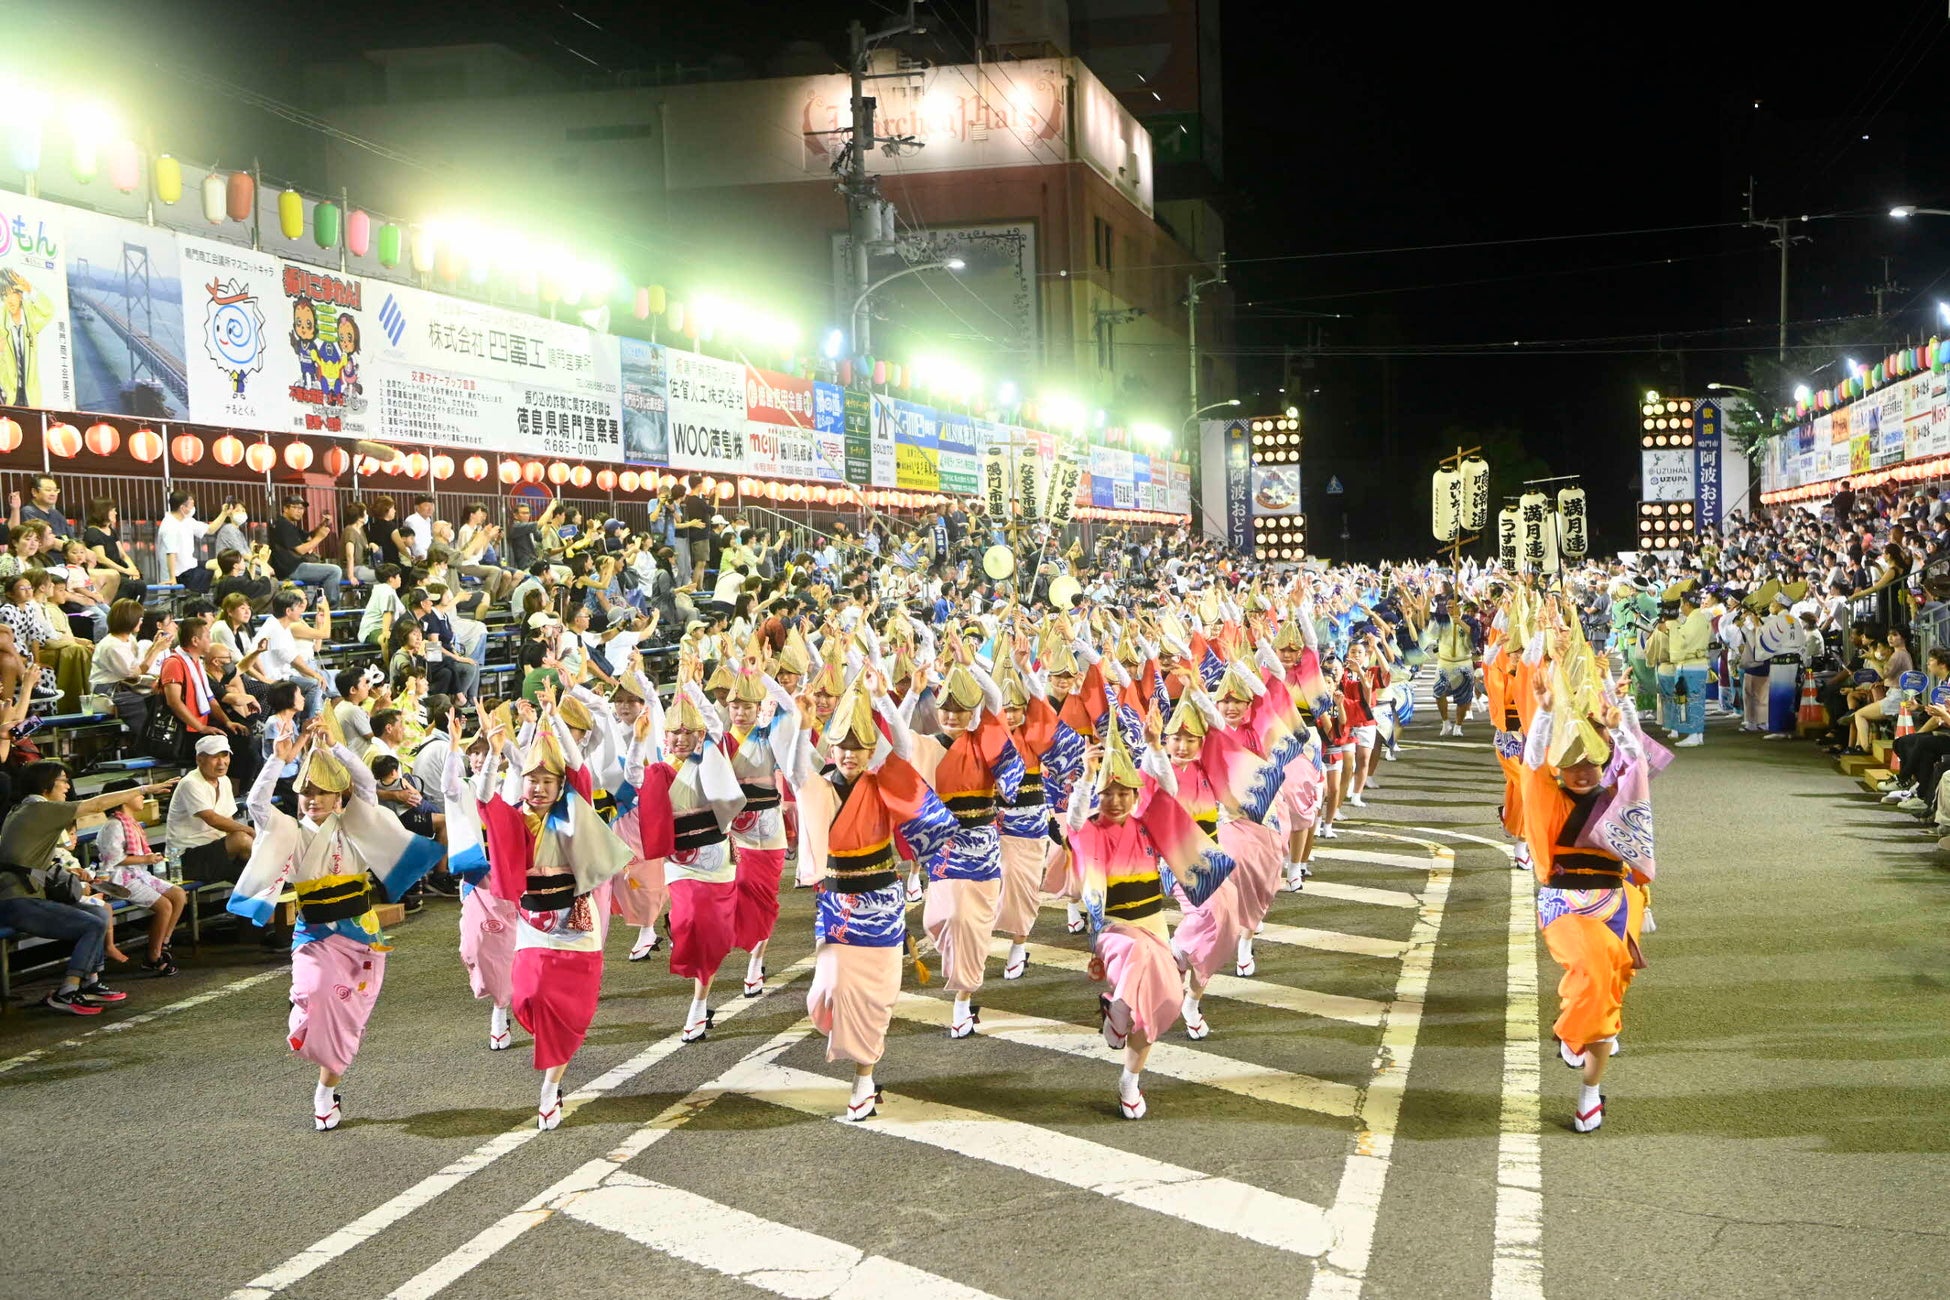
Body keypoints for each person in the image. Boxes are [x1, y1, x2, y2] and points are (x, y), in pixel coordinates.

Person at [229, 722, 443, 1131]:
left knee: (349, 1017)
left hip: (361, 936)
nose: (313, 799)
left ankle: (326, 1090)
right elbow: (257, 803)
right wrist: (279, 759)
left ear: (337, 795)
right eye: (307, 792)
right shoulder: (287, 831)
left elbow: (364, 785)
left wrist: (339, 749)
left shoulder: (354, 822)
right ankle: (309, 1022)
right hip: (315, 935)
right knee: (314, 991)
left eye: (322, 792)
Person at [792, 673, 956, 1119]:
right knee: (828, 990)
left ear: (870, 751)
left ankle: (864, 1079)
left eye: (858, 747)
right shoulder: (820, 787)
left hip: (882, 901)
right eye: (841, 746)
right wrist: (798, 721)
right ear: (831, 749)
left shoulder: (884, 781)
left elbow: (903, 749)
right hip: (839, 903)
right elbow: (794, 771)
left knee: (875, 995)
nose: (848, 754)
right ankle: (856, 1060)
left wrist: (884, 698)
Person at [474, 696, 635, 1130]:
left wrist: (557, 724)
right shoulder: (512, 819)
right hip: (532, 923)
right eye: (533, 779)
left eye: (549, 780)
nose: (540, 787)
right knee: (527, 996)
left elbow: (581, 770)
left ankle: (551, 1087)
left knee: (569, 1008)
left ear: (560, 786)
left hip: (575, 923)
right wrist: (493, 753)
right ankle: (549, 1057)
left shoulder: (572, 812)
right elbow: (484, 798)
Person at [1061, 722, 1235, 1120]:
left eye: (1125, 793)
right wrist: (1088, 777)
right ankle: (1117, 1011)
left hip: (1153, 922)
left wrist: (1156, 746)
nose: (1117, 800)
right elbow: (1071, 819)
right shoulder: (1086, 830)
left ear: (1135, 795)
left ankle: (1130, 1078)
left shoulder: (1145, 827)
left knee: (1164, 1001)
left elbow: (1170, 793)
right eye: (1109, 793)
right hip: (1115, 931)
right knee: (1139, 956)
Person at [0, 762, 175, 1013]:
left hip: (24, 897)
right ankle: (68, 991)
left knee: (100, 914)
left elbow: (29, 860)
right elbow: (95, 805)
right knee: (92, 924)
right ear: (45, 784)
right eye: (62, 780)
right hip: (16, 901)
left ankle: (90, 982)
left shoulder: (26, 809)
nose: (67, 786)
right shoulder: (39, 808)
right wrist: (145, 788)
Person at [166, 733, 255, 883]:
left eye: (225, 756)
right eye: (215, 757)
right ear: (199, 759)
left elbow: (228, 820)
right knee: (242, 839)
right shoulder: (190, 783)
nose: (222, 762)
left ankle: (273, 885)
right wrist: (249, 831)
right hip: (186, 857)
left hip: (217, 850)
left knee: (252, 876)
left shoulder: (224, 780)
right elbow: (212, 819)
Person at [89, 599, 169, 737]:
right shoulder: (112, 645)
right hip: (109, 689)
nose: (141, 622)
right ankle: (145, 740)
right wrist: (156, 650)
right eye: (140, 619)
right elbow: (134, 673)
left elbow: (138, 665)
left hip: (125, 685)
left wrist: (154, 646)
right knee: (138, 704)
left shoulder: (130, 638)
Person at [269, 496, 344, 605]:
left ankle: (317, 606)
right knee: (334, 571)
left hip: (294, 567)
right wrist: (320, 537)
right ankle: (329, 606)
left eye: (302, 509)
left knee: (328, 574)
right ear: (285, 508)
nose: (300, 511)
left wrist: (322, 525)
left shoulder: (289, 525)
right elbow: (301, 550)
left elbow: (308, 536)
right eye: (296, 508)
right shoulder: (283, 525)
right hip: (291, 569)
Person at [82, 498, 141, 604]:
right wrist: (125, 570)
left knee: (140, 584)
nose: (115, 513)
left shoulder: (111, 531)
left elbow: (123, 554)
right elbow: (101, 558)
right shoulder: (93, 532)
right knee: (128, 584)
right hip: (106, 571)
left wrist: (132, 568)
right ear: (103, 512)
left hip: (120, 570)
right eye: (112, 510)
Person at [156, 491, 210, 592]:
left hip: (190, 566)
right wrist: (172, 578)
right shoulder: (169, 525)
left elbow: (210, 529)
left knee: (219, 565)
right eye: (191, 505)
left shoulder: (187, 520)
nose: (194, 508)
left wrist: (224, 513)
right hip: (180, 574)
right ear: (182, 508)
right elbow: (171, 553)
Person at [10, 474, 72, 539]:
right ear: (34, 492)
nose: (53, 494)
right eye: (48, 490)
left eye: (55, 490)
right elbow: (41, 540)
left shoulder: (57, 514)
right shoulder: (28, 512)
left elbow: (71, 538)